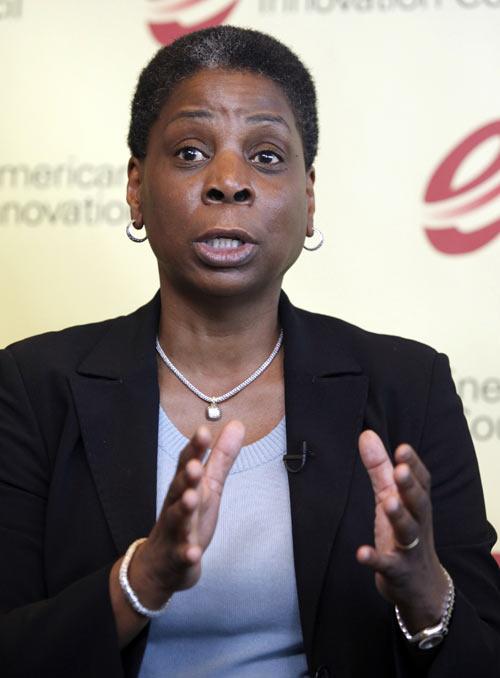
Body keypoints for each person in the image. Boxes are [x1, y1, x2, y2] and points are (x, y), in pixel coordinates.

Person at [0, 26, 499, 678]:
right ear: (135, 187)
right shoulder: (32, 387)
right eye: (189, 151)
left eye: (266, 157)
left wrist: (425, 591)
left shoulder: (409, 387)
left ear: (309, 197)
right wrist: (140, 579)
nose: (229, 182)